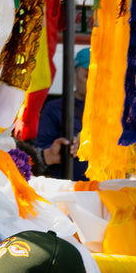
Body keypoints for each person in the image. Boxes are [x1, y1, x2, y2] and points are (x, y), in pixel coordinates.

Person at [35, 47, 89, 180]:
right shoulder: (54, 108)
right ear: (74, 75)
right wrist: (55, 152)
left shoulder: (116, 112)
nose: (94, 81)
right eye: (87, 76)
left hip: (108, 190)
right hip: (68, 191)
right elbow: (37, 158)